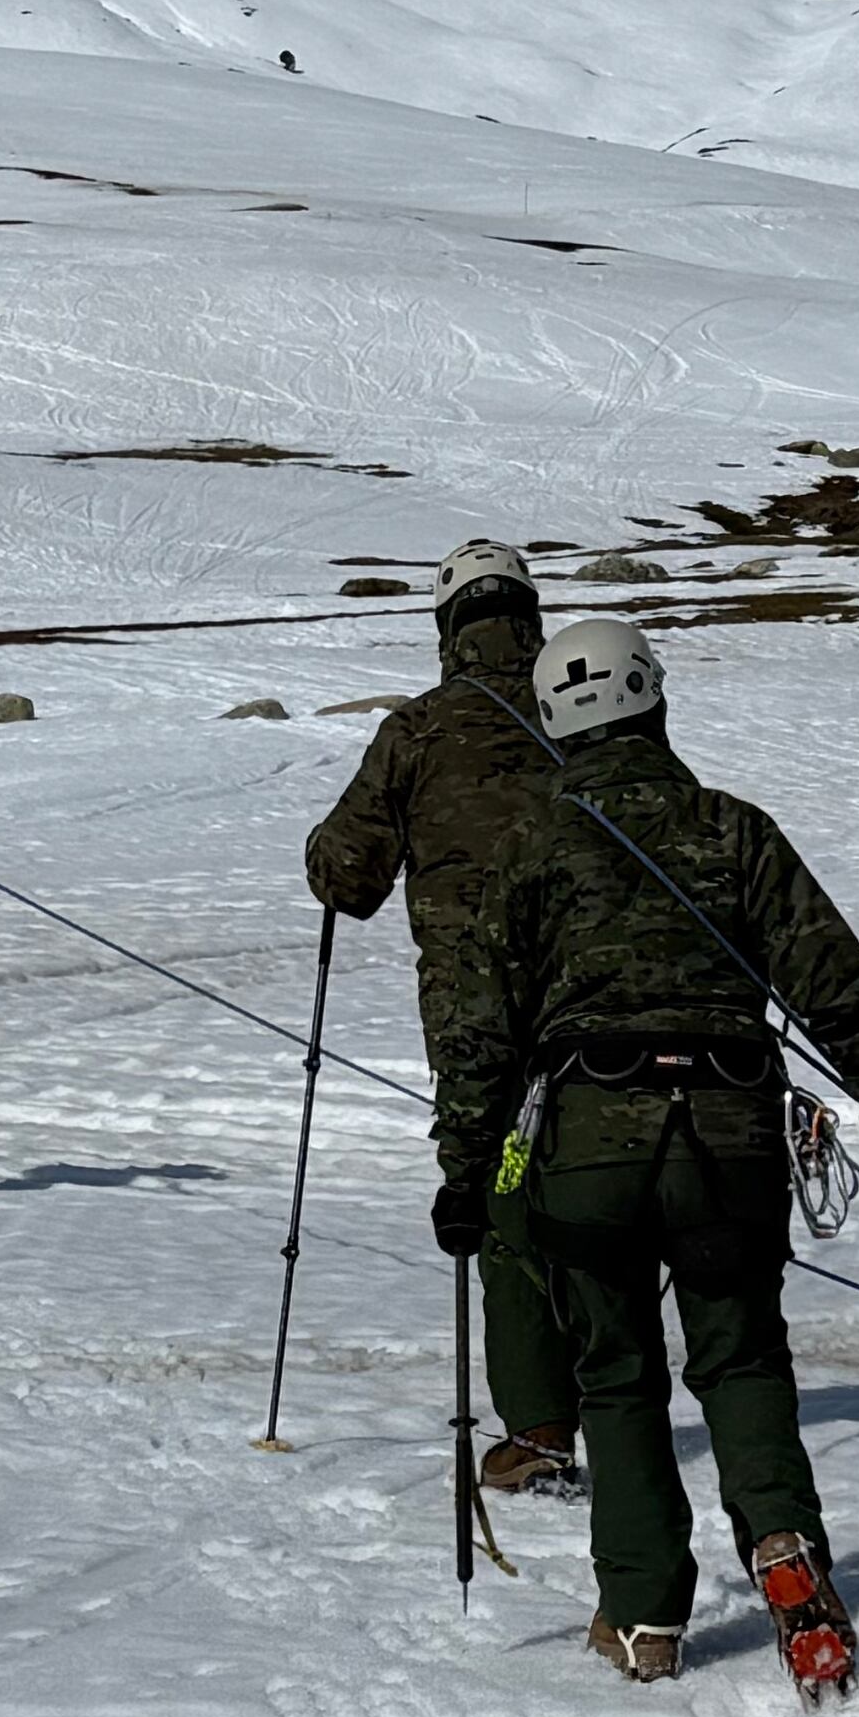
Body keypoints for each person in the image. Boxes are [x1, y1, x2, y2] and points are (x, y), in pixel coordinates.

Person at [443, 616, 859, 1695]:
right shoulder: (732, 827)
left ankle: (641, 1617)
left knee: (616, 1375)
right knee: (741, 1357)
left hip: (585, 1140)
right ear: (655, 701)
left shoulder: (529, 844)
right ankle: (782, 1545)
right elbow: (823, 969)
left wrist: (464, 1169)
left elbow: (480, 1028)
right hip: (728, 1130)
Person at [308, 539, 583, 1497]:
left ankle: (542, 1429)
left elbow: (347, 877)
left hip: (481, 1028)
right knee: (601, 1190)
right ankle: (609, 1398)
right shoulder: (587, 713)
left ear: (448, 627)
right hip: (607, 1001)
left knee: (505, 1197)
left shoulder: (419, 732)